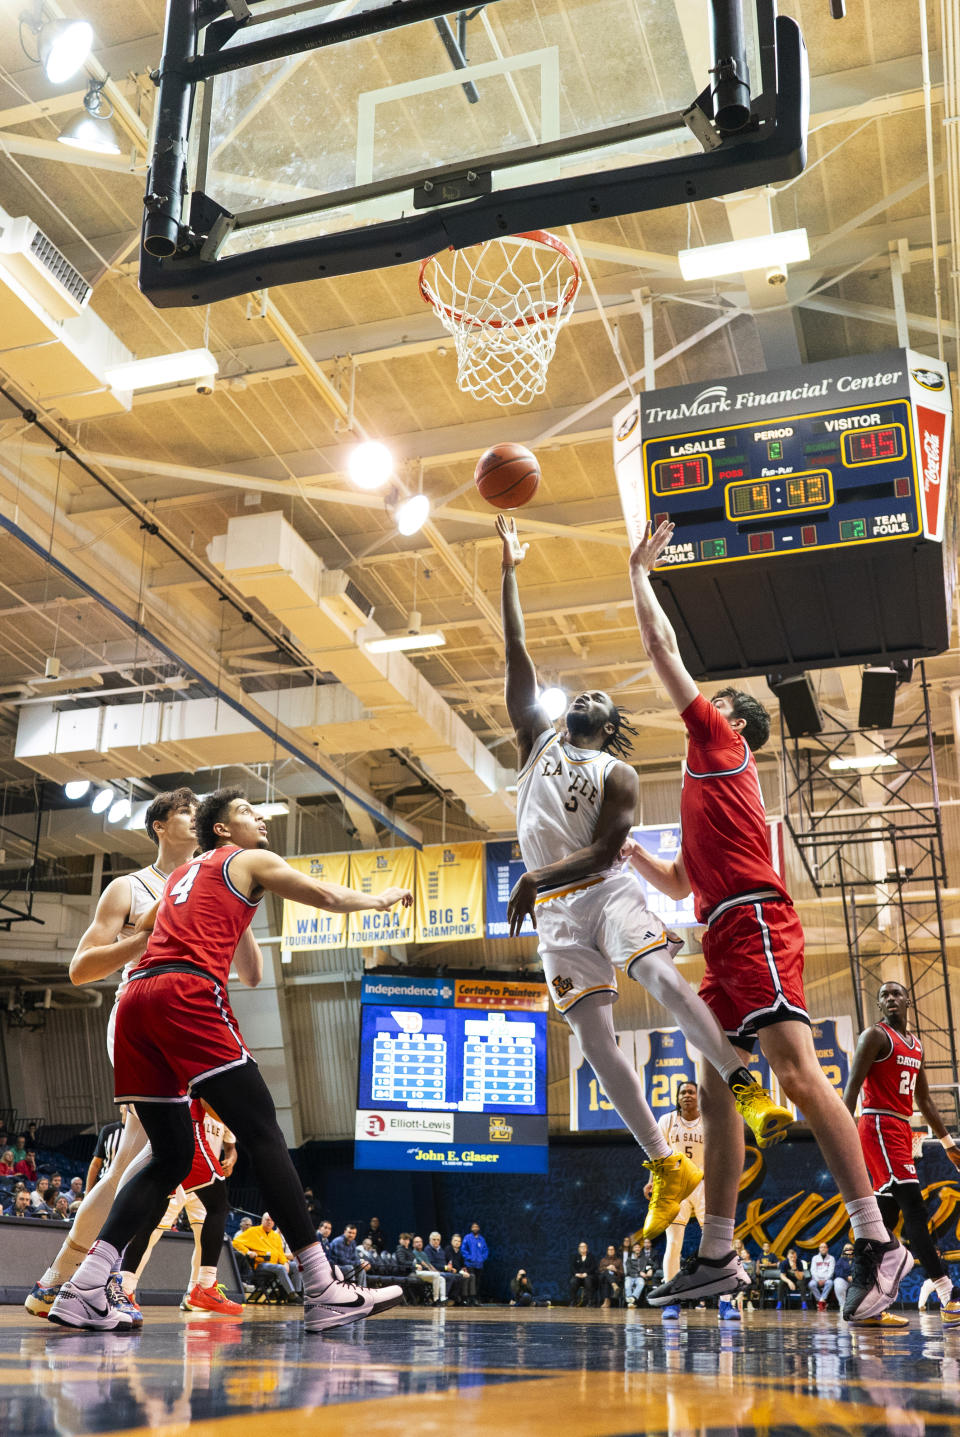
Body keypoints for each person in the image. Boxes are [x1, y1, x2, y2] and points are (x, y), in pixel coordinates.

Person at [627, 520, 910, 1322]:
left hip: (753, 925)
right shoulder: (700, 791)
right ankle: (717, 1252)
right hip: (723, 930)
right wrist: (626, 856)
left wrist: (637, 573)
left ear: (734, 722)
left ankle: (875, 1239)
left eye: (713, 703)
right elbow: (682, 876)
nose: (700, 704)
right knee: (719, 1087)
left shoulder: (719, 743)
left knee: (794, 1075)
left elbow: (661, 650)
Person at [497, 514, 792, 1241]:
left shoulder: (618, 773)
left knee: (661, 978)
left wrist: (536, 877)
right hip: (558, 923)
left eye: (601, 700)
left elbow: (602, 856)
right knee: (596, 1044)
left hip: (600, 894)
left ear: (611, 724)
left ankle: (745, 1085)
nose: (587, 697)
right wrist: (509, 571)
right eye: (580, 696)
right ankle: (664, 1164)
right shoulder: (535, 744)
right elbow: (516, 652)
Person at [47, 787, 410, 1333]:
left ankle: (84, 1286)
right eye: (246, 812)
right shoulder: (248, 859)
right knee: (263, 1131)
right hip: (186, 995)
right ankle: (323, 1285)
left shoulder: (180, 880)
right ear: (220, 829)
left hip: (135, 1003)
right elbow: (323, 896)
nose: (259, 817)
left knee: (168, 1157)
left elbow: (241, 965)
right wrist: (377, 901)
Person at [26, 789, 200, 1323]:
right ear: (158, 826)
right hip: (138, 1013)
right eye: (186, 812)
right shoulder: (129, 887)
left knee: (135, 1160)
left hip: (189, 1020)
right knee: (147, 1156)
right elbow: (80, 969)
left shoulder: (211, 883)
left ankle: (65, 1280)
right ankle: (82, 1281)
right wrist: (143, 935)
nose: (197, 819)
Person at [844, 977, 960, 1326]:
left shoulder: (916, 1045)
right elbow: (850, 1090)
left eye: (897, 993)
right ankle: (946, 1292)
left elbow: (923, 1100)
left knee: (886, 1216)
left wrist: (947, 1143)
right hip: (877, 1124)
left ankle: (868, 1301)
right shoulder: (875, 1036)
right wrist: (842, 1139)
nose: (891, 998)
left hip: (901, 1128)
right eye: (884, 995)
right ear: (880, 1005)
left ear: (908, 1001)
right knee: (914, 1206)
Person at [119, 1098, 242, 1316]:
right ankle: (128, 1287)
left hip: (196, 1167)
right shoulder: (200, 1091)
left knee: (202, 1233)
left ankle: (190, 1291)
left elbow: (231, 1148)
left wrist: (230, 1160)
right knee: (153, 1229)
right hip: (194, 1159)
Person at [232, 1213, 301, 1301]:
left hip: (275, 1263)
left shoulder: (276, 1236)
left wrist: (285, 1262)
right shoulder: (253, 1231)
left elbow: (280, 1252)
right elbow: (236, 1242)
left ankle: (298, 1292)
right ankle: (292, 1294)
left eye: (272, 1220)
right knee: (280, 1268)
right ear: (262, 1220)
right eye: (267, 1220)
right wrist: (248, 1252)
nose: (269, 1222)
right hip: (261, 1265)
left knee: (295, 1266)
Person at [446, 1233, 477, 1305]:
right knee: (464, 1277)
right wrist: (461, 1271)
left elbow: (463, 1264)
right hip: (452, 1271)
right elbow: (451, 1263)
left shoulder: (460, 1252)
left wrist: (464, 1269)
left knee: (472, 1276)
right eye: (455, 1240)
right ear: (451, 1241)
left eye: (459, 1241)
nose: (457, 1243)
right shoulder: (448, 1249)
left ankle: (472, 1298)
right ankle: (464, 1299)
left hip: (459, 1270)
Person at [462, 1220, 488, 1300]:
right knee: (470, 1282)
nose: (475, 1228)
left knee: (477, 1282)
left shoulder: (481, 1239)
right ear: (471, 1228)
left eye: (476, 1227)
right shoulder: (467, 1237)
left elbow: (485, 1250)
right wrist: (470, 1258)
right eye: (473, 1227)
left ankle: (475, 1299)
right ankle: (469, 1298)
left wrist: (482, 1259)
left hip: (479, 1265)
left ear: (479, 1228)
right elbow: (463, 1250)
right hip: (470, 1264)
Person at [809, 1242, 836, 1311]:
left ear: (827, 1249)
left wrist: (825, 1279)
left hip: (827, 1279)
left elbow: (831, 1271)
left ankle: (821, 1301)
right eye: (821, 1247)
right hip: (816, 1279)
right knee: (811, 1284)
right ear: (819, 1249)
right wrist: (818, 1280)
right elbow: (813, 1270)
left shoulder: (831, 1258)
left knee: (830, 1283)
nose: (823, 1248)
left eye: (824, 1247)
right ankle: (821, 1301)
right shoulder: (815, 1258)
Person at [570, 1242, 598, 1307]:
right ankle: (573, 1300)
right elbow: (572, 1267)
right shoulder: (575, 1256)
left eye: (584, 1247)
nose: (583, 1248)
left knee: (588, 1281)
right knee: (573, 1281)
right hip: (578, 1276)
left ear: (587, 1248)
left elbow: (594, 1267)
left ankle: (590, 1301)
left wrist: (587, 1273)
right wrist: (576, 1273)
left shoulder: (591, 1256)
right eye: (581, 1247)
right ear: (579, 1248)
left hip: (589, 1276)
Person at [833, 1242, 855, 1313]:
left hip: (856, 1280)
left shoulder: (858, 1259)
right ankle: (842, 1305)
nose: (848, 1250)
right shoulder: (841, 1260)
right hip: (845, 1280)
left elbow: (861, 1270)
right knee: (838, 1281)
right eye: (846, 1249)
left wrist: (853, 1277)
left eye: (850, 1249)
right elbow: (837, 1271)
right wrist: (846, 1277)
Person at [624, 1242, 645, 1307]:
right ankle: (631, 1300)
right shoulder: (629, 1259)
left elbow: (653, 1264)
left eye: (639, 1247)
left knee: (641, 1283)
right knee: (627, 1285)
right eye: (635, 1247)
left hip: (639, 1277)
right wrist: (639, 1272)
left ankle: (632, 1299)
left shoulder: (644, 1258)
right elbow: (629, 1270)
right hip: (630, 1276)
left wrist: (650, 1269)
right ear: (633, 1249)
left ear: (640, 1249)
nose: (637, 1248)